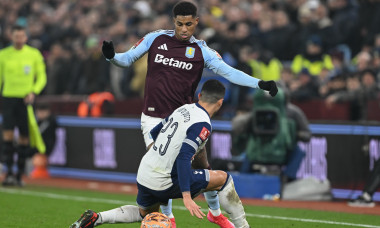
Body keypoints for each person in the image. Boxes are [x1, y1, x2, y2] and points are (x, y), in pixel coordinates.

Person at [101, 1, 277, 227]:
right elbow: (126, 59)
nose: (184, 29)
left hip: (185, 117)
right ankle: (169, 219)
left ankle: (215, 212)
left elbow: (229, 73)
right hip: (154, 118)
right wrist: (111, 56)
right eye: (179, 24)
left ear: (196, 22)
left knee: (203, 165)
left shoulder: (202, 51)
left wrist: (259, 83)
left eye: (189, 24)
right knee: (162, 167)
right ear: (173, 21)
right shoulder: (156, 38)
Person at [69, 80, 250, 228]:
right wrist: (187, 196)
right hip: (165, 180)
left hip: (145, 172)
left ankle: (97, 218)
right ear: (221, 102)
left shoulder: (183, 109)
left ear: (200, 96)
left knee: (145, 214)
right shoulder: (203, 124)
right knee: (224, 179)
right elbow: (184, 156)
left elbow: (155, 133)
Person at [0, 25, 47, 186]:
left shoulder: (34, 55)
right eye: (16, 36)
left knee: (24, 137)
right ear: (11, 37)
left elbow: (41, 77)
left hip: (26, 101)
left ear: (26, 38)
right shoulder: (3, 55)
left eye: (21, 36)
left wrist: (34, 91)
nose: (19, 39)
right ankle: (9, 173)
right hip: (8, 98)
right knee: (7, 136)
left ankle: (19, 174)